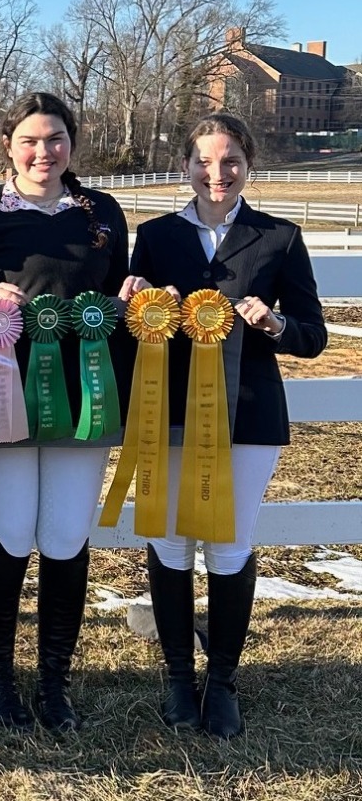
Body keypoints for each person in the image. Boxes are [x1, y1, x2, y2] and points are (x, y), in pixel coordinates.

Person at [122, 112, 325, 739]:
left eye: (230, 158)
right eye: (205, 160)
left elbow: (313, 335)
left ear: (248, 163)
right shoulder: (155, 236)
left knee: (230, 545)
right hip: (168, 411)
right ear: (185, 165)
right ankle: (180, 677)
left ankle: (224, 682)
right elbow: (136, 332)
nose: (218, 172)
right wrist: (129, 299)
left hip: (249, 414)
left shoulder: (280, 237)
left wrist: (274, 325)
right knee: (171, 543)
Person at [0, 92, 129, 732]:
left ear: (71, 144)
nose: (43, 151)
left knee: (66, 537)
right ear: (7, 145)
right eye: (30, 140)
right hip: (4, 396)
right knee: (12, 532)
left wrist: (130, 298)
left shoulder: (101, 213)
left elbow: (115, 297)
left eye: (55, 139)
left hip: (87, 399)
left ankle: (54, 682)